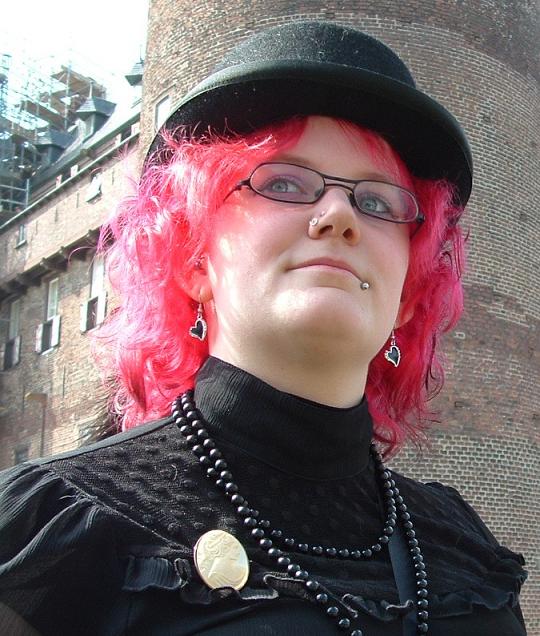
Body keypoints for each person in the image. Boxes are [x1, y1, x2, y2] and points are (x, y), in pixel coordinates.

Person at [0, 21, 527, 636]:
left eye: (378, 202)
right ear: (192, 258)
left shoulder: (465, 551)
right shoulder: (58, 533)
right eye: (283, 183)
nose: (338, 214)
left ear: (408, 295)